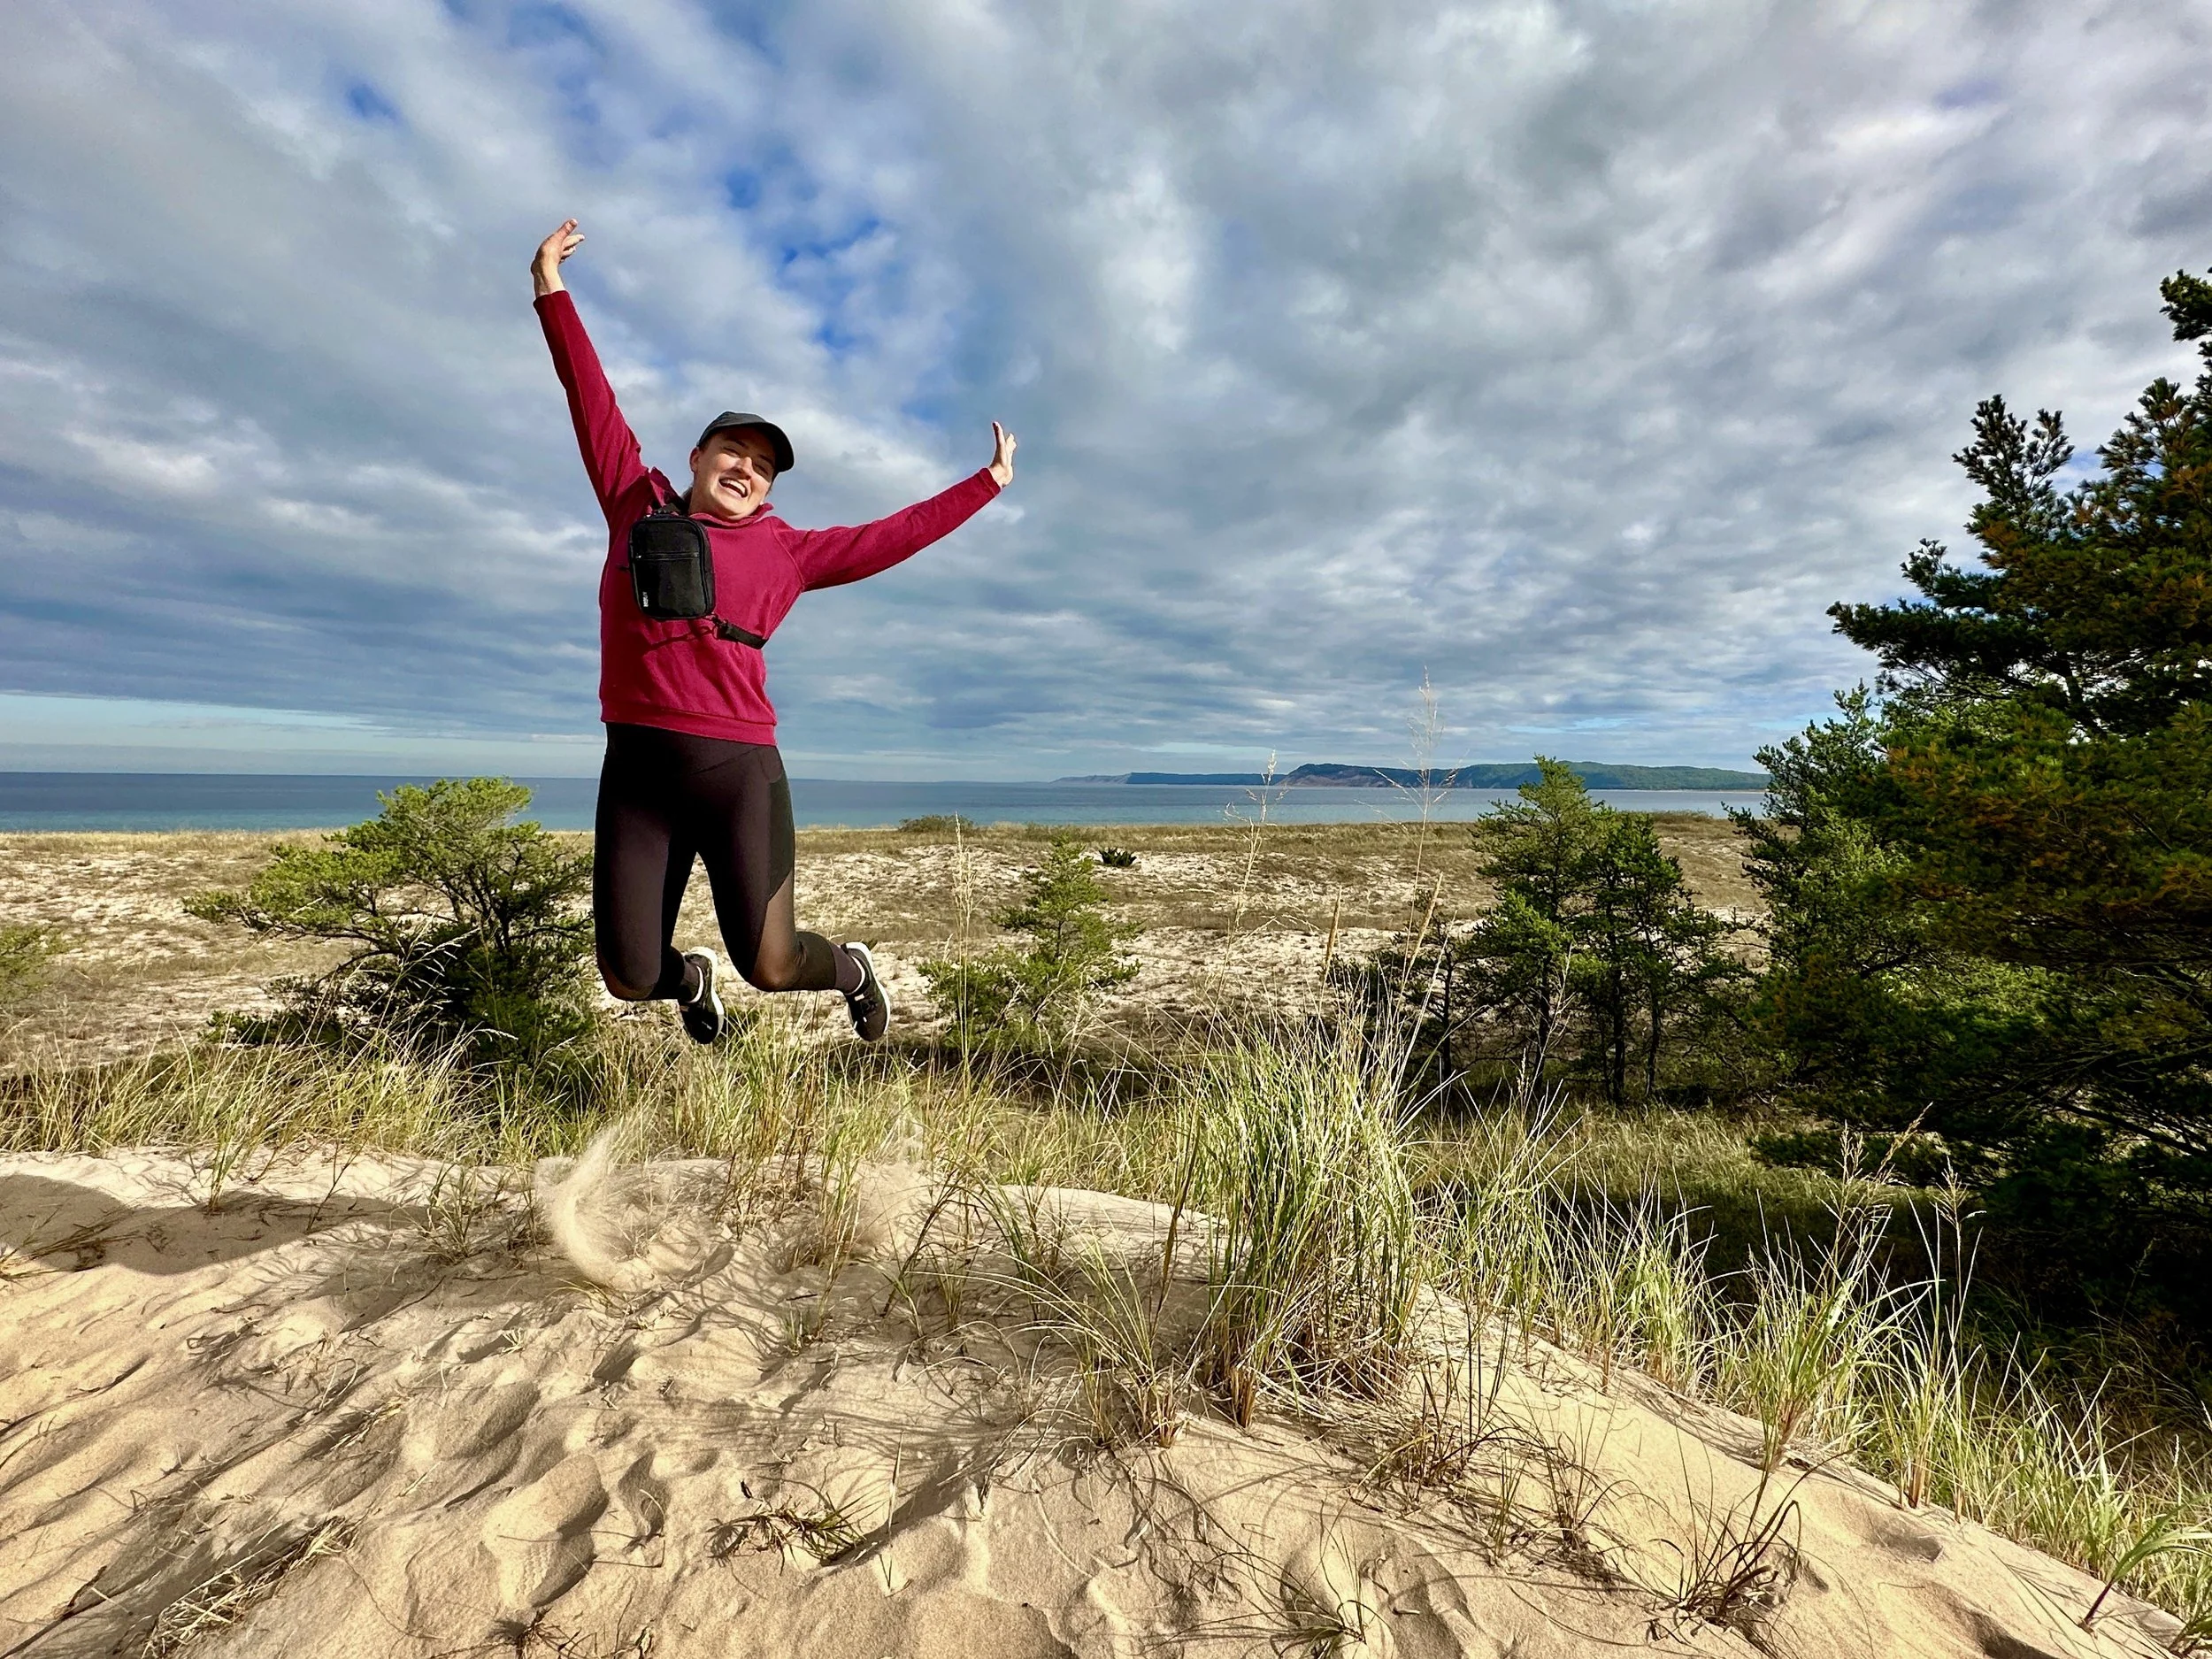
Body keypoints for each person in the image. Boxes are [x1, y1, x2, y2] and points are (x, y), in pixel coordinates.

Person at [532, 219, 1014, 1044]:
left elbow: (890, 536)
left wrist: (987, 484)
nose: (746, 468)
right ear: (697, 454)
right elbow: (591, 399)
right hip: (637, 769)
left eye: (762, 463)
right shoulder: (634, 502)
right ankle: (692, 982)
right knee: (629, 976)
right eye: (732, 449)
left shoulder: (787, 552)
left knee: (775, 965)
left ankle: (854, 968)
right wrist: (552, 288)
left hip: (737, 770)